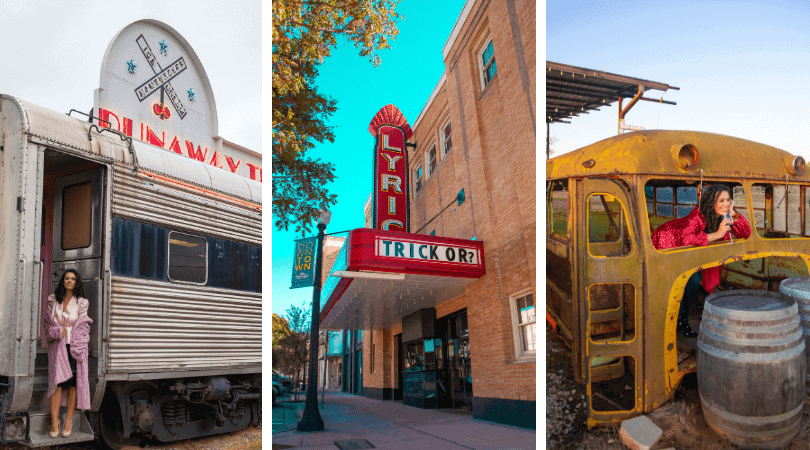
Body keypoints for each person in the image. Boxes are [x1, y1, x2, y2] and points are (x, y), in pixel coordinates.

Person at [651, 184, 751, 337]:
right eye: (721, 200)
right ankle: (679, 320)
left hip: (695, 253)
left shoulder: (726, 217)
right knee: (691, 280)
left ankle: (680, 318)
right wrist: (717, 234)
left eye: (728, 200)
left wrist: (733, 213)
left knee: (698, 280)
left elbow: (746, 233)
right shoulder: (698, 214)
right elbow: (687, 238)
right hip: (670, 243)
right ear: (712, 202)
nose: (725, 204)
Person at [44, 269, 92, 438]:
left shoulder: (81, 303)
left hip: (75, 347)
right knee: (56, 384)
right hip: (57, 347)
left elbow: (85, 325)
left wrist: (78, 341)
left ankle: (69, 420)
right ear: (62, 281)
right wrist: (57, 332)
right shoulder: (53, 300)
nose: (69, 281)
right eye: (66, 278)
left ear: (76, 282)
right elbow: (48, 324)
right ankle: (55, 420)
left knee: (72, 385)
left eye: (72, 279)